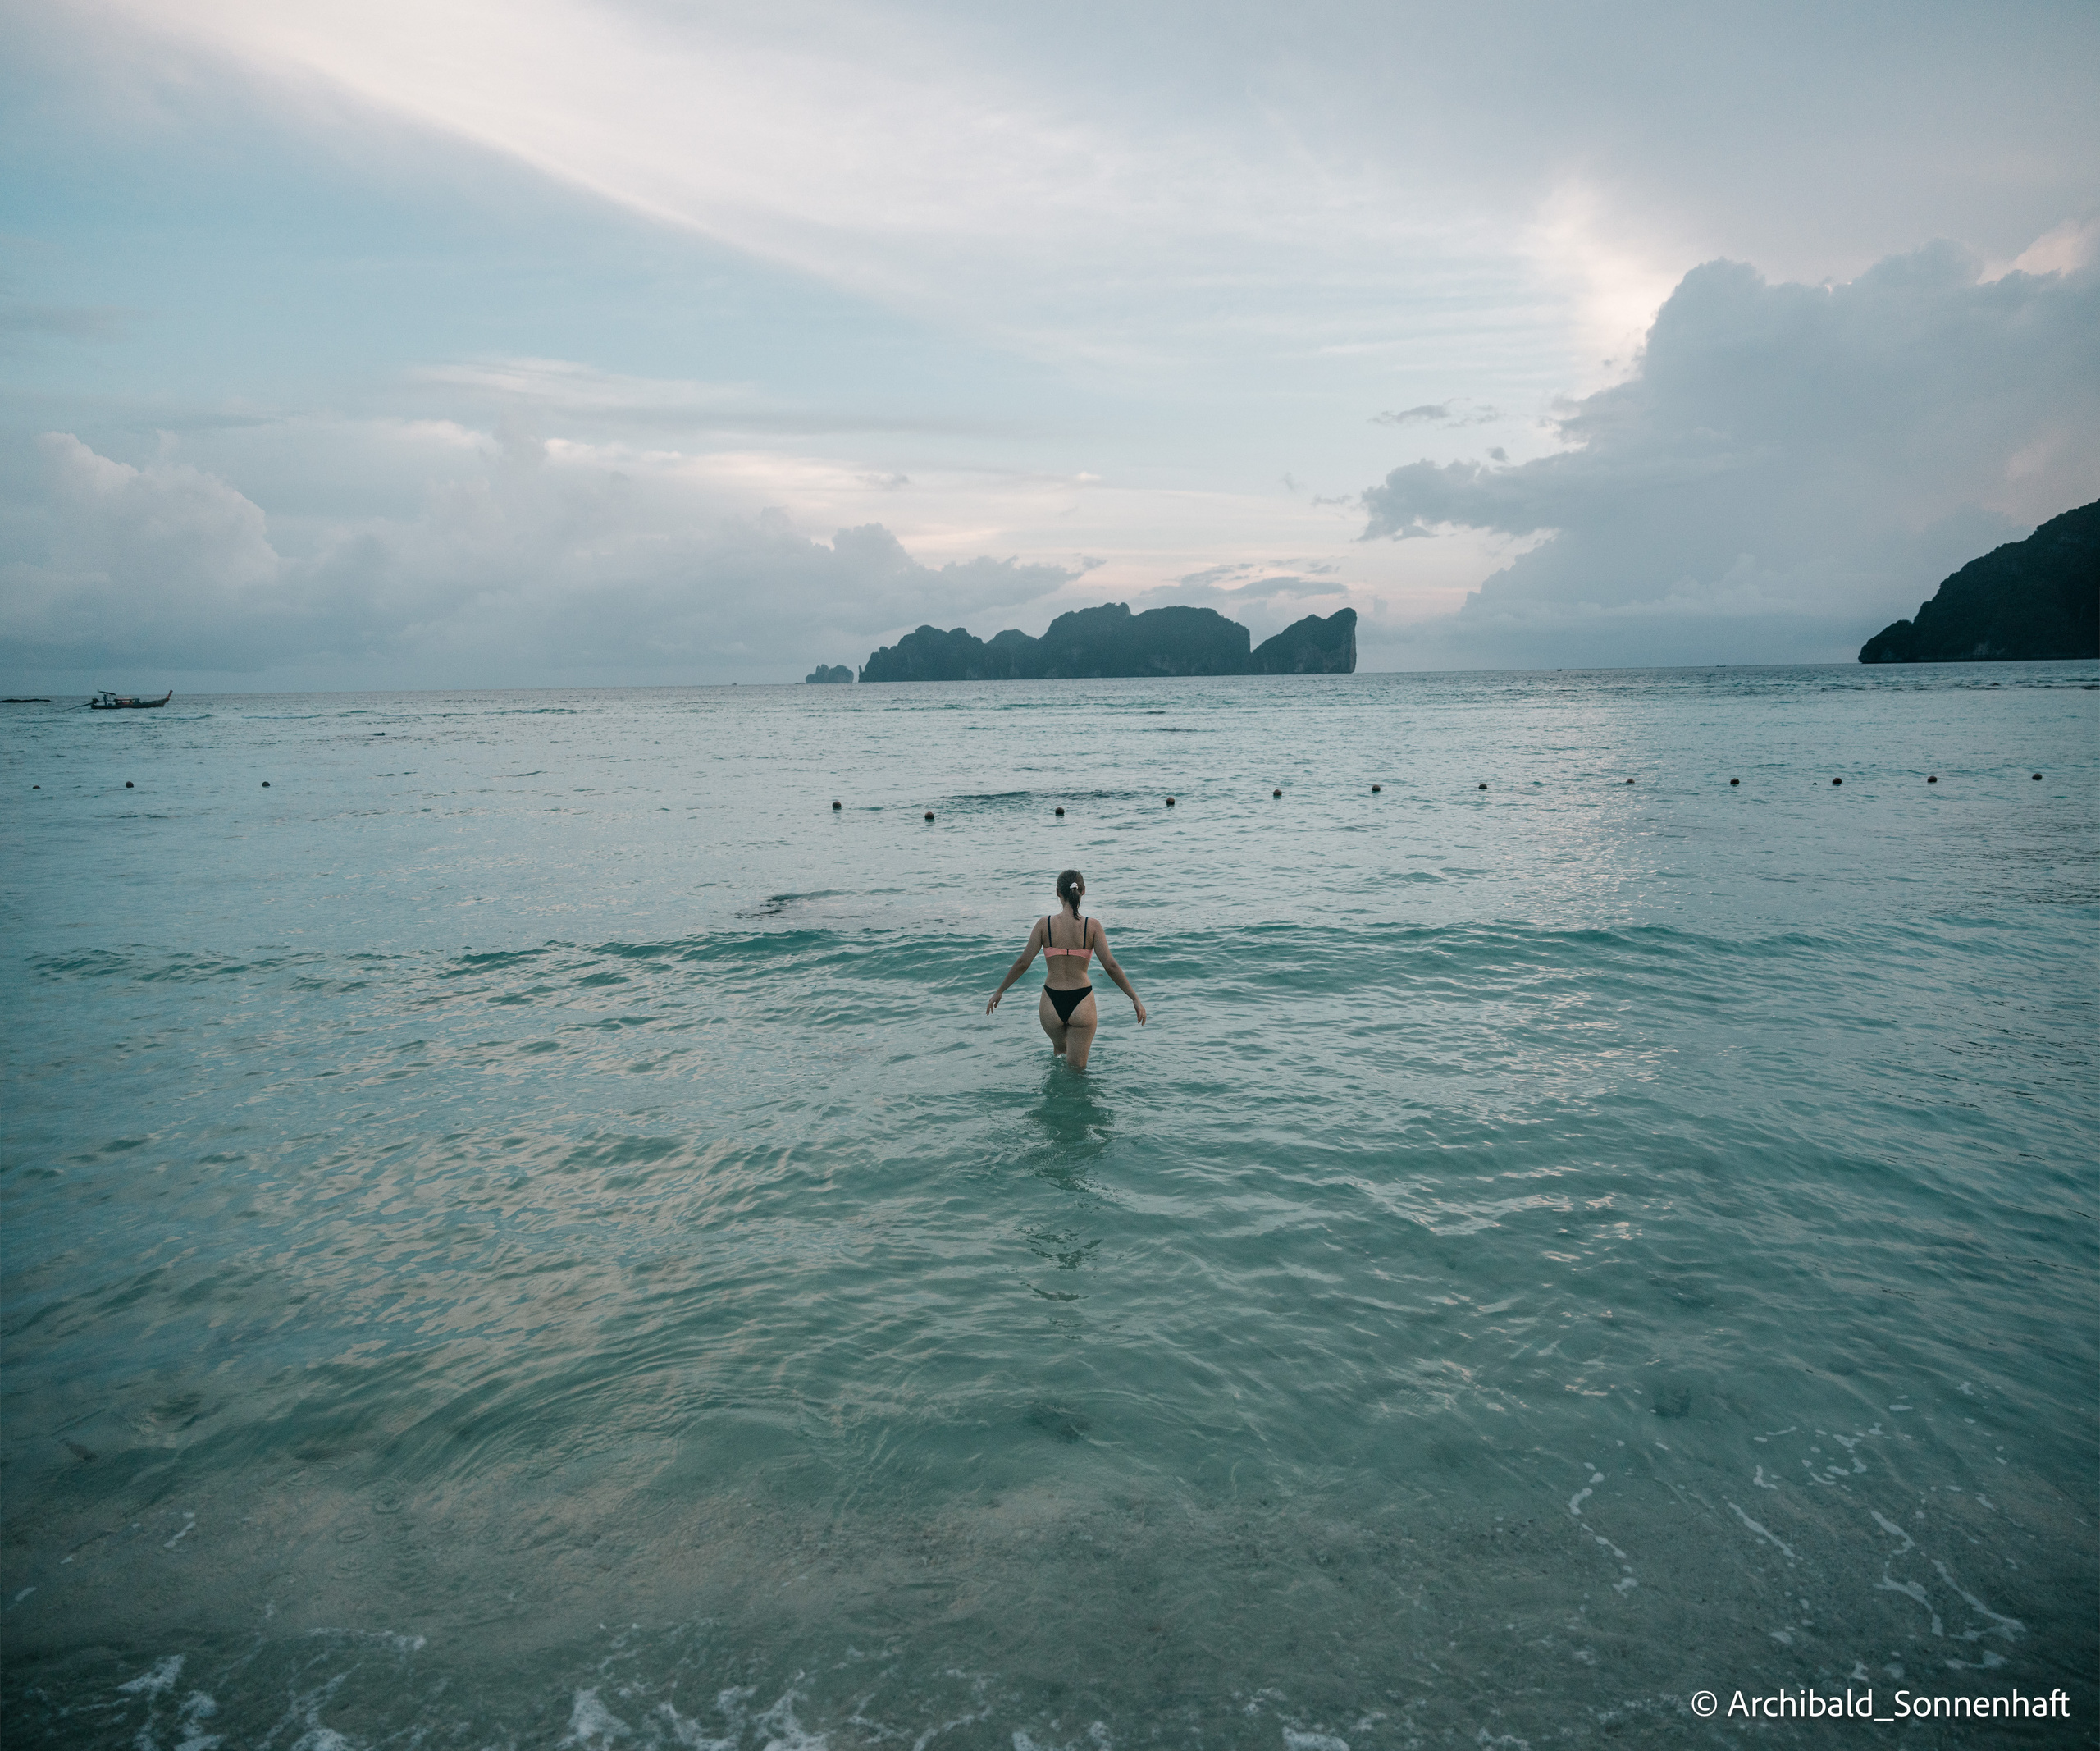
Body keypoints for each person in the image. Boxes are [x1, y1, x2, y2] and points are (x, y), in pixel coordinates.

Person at [984, 868, 1145, 1070]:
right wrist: (1134, 998)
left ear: (1057, 893)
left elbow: (1023, 963)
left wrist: (1000, 991)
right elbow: (1111, 966)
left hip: (1051, 1003)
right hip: (1082, 1001)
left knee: (1059, 1060)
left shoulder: (1045, 925)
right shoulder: (1092, 926)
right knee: (1077, 1073)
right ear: (1083, 891)